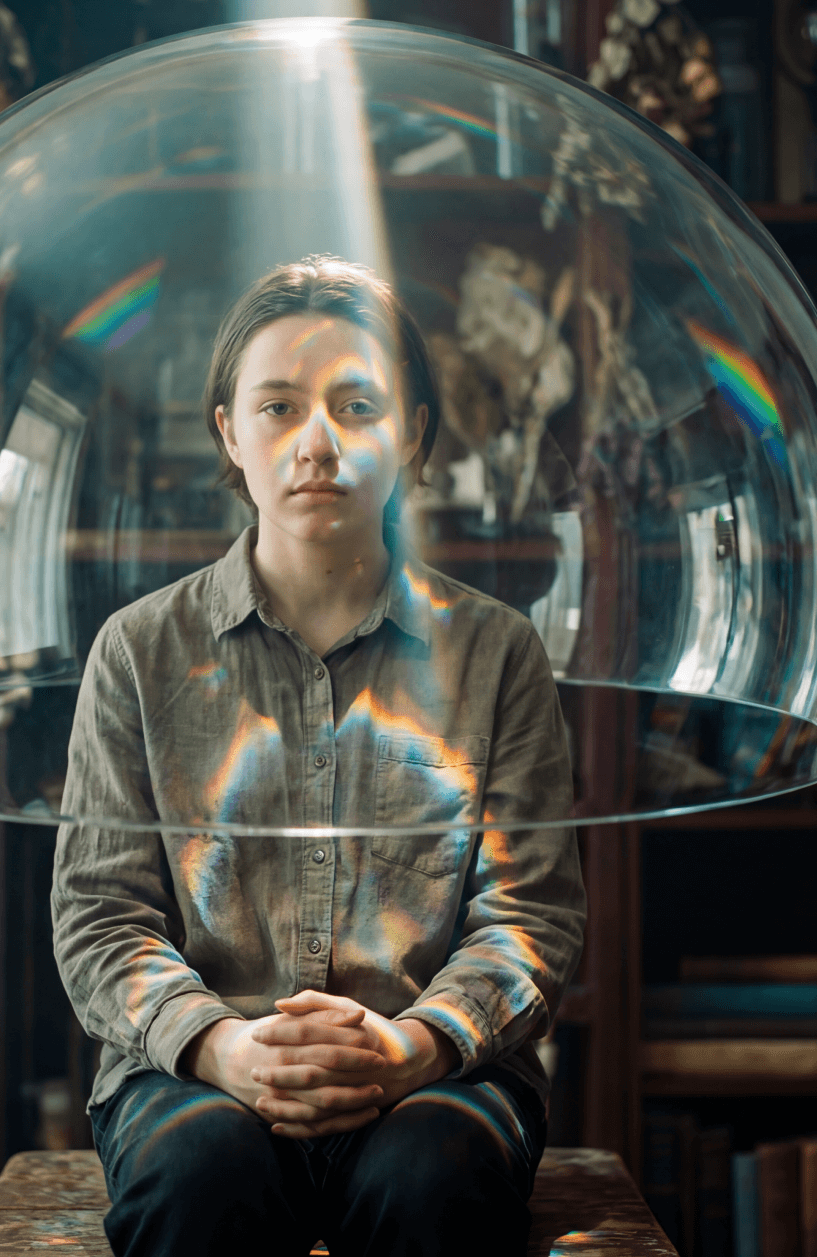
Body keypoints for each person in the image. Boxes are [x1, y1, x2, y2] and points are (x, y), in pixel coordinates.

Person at [51, 255, 586, 1257]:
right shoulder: (136, 651)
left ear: (413, 433)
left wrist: (408, 1047)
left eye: (355, 404)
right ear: (228, 431)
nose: (316, 442)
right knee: (197, 1175)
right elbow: (98, 913)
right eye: (280, 405)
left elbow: (532, 914)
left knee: (434, 1176)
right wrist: (221, 1044)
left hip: (440, 1072)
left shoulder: (495, 650)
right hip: (191, 1071)